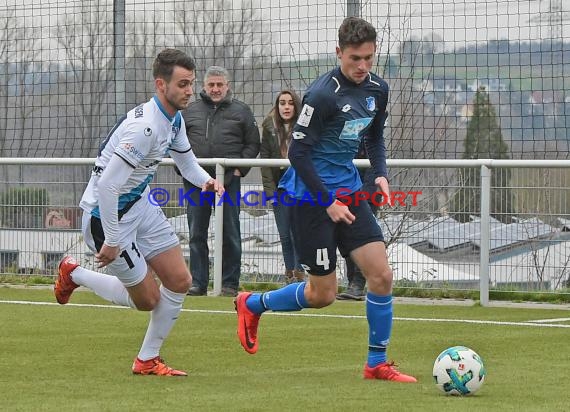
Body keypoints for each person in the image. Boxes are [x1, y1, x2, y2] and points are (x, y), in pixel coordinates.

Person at [234, 17, 417, 383]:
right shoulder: (322, 95)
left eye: (368, 57)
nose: (363, 66)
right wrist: (327, 201)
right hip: (309, 198)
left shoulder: (377, 89)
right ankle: (252, 304)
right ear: (338, 54)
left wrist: (379, 173)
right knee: (322, 295)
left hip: (350, 191)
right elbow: (298, 155)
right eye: (355, 59)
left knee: (381, 275)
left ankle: (376, 363)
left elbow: (374, 139)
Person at [54, 48, 224, 376]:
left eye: (192, 83)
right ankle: (73, 272)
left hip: (141, 204)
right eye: (183, 84)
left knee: (179, 280)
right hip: (106, 219)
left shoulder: (173, 119)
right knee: (147, 299)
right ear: (161, 85)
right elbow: (107, 187)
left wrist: (206, 181)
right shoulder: (145, 128)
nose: (191, 91)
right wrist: (114, 238)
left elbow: (186, 161)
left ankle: (147, 359)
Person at [182, 66, 260, 297]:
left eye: (220, 85)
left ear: (227, 86)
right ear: (204, 86)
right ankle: (198, 283)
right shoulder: (189, 110)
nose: (215, 89)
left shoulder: (242, 111)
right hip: (196, 182)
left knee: (230, 233)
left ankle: (229, 284)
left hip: (228, 182)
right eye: (211, 85)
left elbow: (253, 144)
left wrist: (238, 170)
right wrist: (184, 169)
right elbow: (173, 143)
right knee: (196, 233)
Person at [260, 89, 305, 284]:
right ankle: (290, 275)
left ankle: (301, 273)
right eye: (282, 103)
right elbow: (265, 163)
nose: (286, 107)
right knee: (285, 235)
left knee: (299, 234)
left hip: (301, 188)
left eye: (290, 103)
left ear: (296, 106)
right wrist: (270, 193)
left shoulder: (305, 127)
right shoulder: (269, 128)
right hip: (280, 189)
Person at [337, 143, 378, 301]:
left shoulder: (369, 133)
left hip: (365, 194)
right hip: (346, 190)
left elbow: (375, 163)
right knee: (346, 237)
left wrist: (365, 195)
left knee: (362, 239)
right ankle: (352, 282)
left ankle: (358, 284)